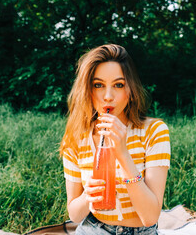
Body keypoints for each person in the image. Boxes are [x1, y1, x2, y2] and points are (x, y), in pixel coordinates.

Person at [60, 44, 171, 234]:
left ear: (130, 90)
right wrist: (88, 196)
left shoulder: (154, 131)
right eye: (98, 85)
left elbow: (150, 216)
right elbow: (75, 214)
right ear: (87, 90)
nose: (108, 96)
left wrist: (122, 153)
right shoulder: (76, 138)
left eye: (118, 85)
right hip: (93, 229)